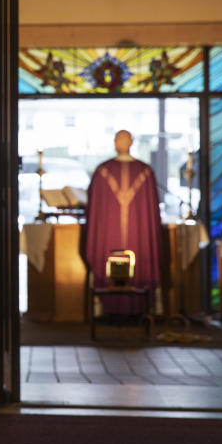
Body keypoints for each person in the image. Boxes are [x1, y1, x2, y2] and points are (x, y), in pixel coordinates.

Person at [84, 130, 162, 314]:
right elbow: (95, 207)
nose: (122, 143)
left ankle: (141, 308)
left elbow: (150, 209)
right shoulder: (105, 171)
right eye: (120, 139)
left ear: (132, 142)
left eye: (125, 139)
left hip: (125, 232)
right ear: (114, 143)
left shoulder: (143, 171)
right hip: (118, 231)